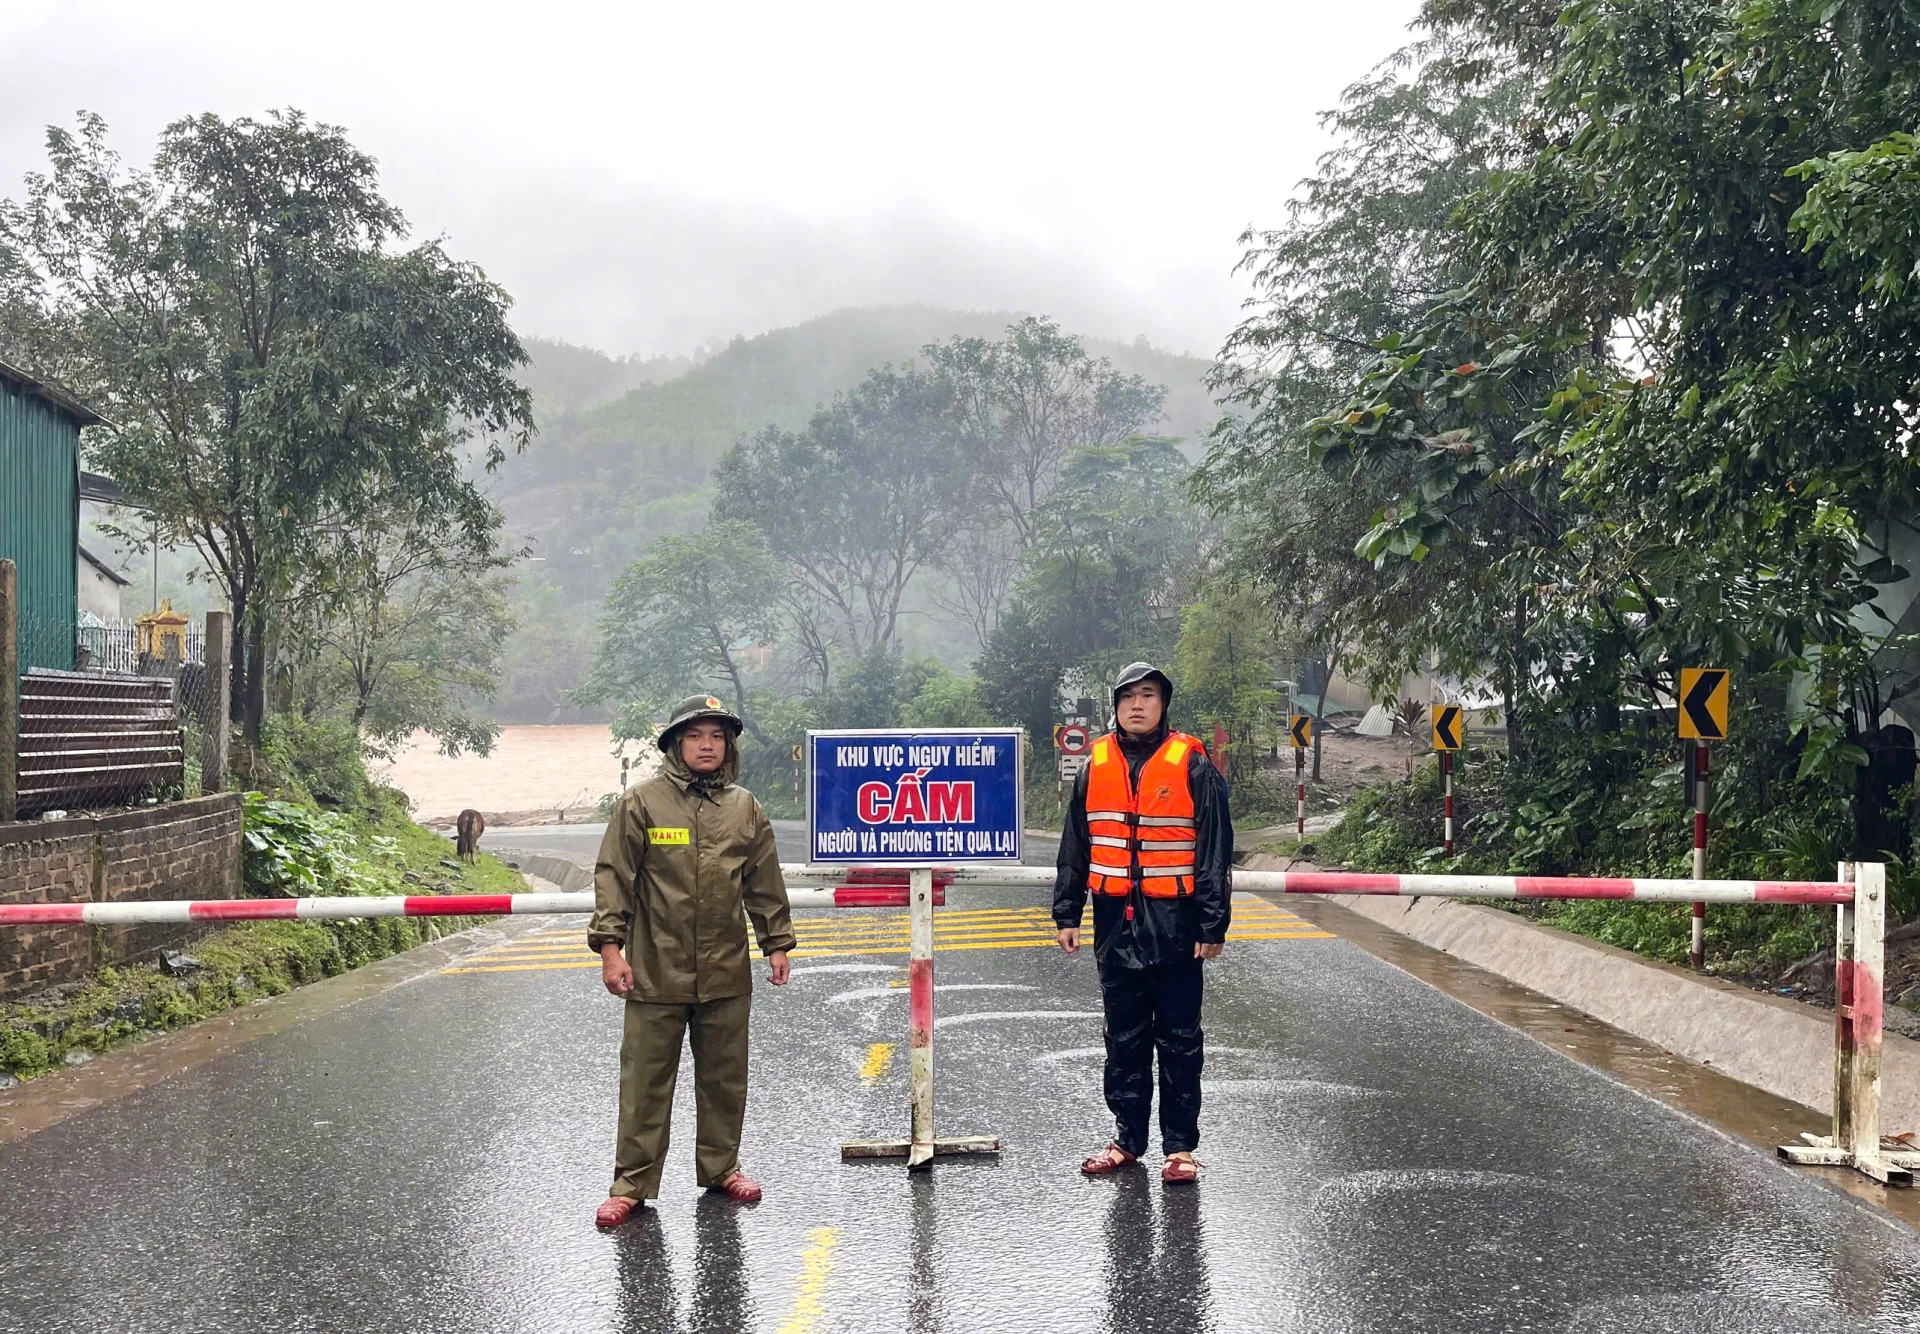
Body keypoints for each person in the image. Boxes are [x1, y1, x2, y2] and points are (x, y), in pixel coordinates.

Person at [589, 694, 796, 1228]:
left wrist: (776, 942)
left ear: (728, 746)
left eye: (717, 736)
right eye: (696, 735)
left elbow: (763, 882)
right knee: (644, 1081)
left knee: (726, 1079)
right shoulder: (642, 804)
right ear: (675, 745)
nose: (708, 745)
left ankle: (723, 1168)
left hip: (727, 969)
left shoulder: (744, 807)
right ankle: (630, 1184)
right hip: (654, 969)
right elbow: (615, 878)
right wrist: (611, 950)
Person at [1054, 662, 1232, 1184]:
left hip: (1176, 924)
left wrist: (1211, 924)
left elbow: (1214, 850)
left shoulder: (1193, 764)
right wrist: (1068, 912)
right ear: (1115, 705)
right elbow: (1076, 847)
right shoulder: (1095, 764)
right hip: (1115, 925)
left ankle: (1180, 1149)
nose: (1136, 705)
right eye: (1127, 696)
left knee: (1180, 1039)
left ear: (1163, 704)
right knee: (1123, 1038)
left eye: (1147, 695)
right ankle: (1127, 1140)